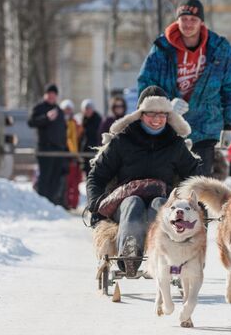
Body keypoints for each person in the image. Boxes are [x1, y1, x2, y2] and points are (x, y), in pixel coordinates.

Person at [86, 86, 201, 275]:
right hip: (125, 202)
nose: (157, 119)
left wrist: (198, 206)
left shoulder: (175, 144)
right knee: (134, 203)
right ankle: (129, 255)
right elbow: (97, 175)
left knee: (160, 204)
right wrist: (95, 205)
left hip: (161, 203)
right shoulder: (123, 141)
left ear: (168, 116)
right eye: (151, 114)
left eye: (162, 114)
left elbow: (194, 178)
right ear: (140, 114)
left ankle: (165, 256)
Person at [137, 0, 231, 176]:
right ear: (177, 21)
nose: (188, 24)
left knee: (199, 184)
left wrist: (229, 126)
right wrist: (166, 104)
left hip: (205, 126)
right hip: (168, 126)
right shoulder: (161, 49)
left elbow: (229, 89)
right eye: (184, 19)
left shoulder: (220, 49)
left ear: (201, 22)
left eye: (193, 19)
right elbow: (145, 86)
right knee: (170, 182)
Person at [27, 83, 68, 206]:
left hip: (59, 150)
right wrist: (46, 118)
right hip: (45, 149)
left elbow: (63, 131)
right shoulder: (39, 108)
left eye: (53, 94)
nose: (51, 96)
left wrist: (64, 148)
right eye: (49, 94)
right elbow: (31, 122)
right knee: (45, 177)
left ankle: (52, 203)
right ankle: (42, 203)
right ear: (45, 95)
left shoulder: (59, 110)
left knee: (55, 178)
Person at [60, 99, 82, 210]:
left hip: (74, 155)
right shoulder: (60, 122)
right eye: (65, 109)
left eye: (69, 109)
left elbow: (77, 139)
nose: (67, 111)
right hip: (64, 155)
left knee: (74, 181)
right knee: (66, 182)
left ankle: (73, 203)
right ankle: (66, 202)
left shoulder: (75, 123)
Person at [79, 99, 102, 177]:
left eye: (89, 108)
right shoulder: (82, 120)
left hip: (95, 151)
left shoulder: (98, 120)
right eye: (86, 109)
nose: (88, 110)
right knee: (88, 175)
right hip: (85, 151)